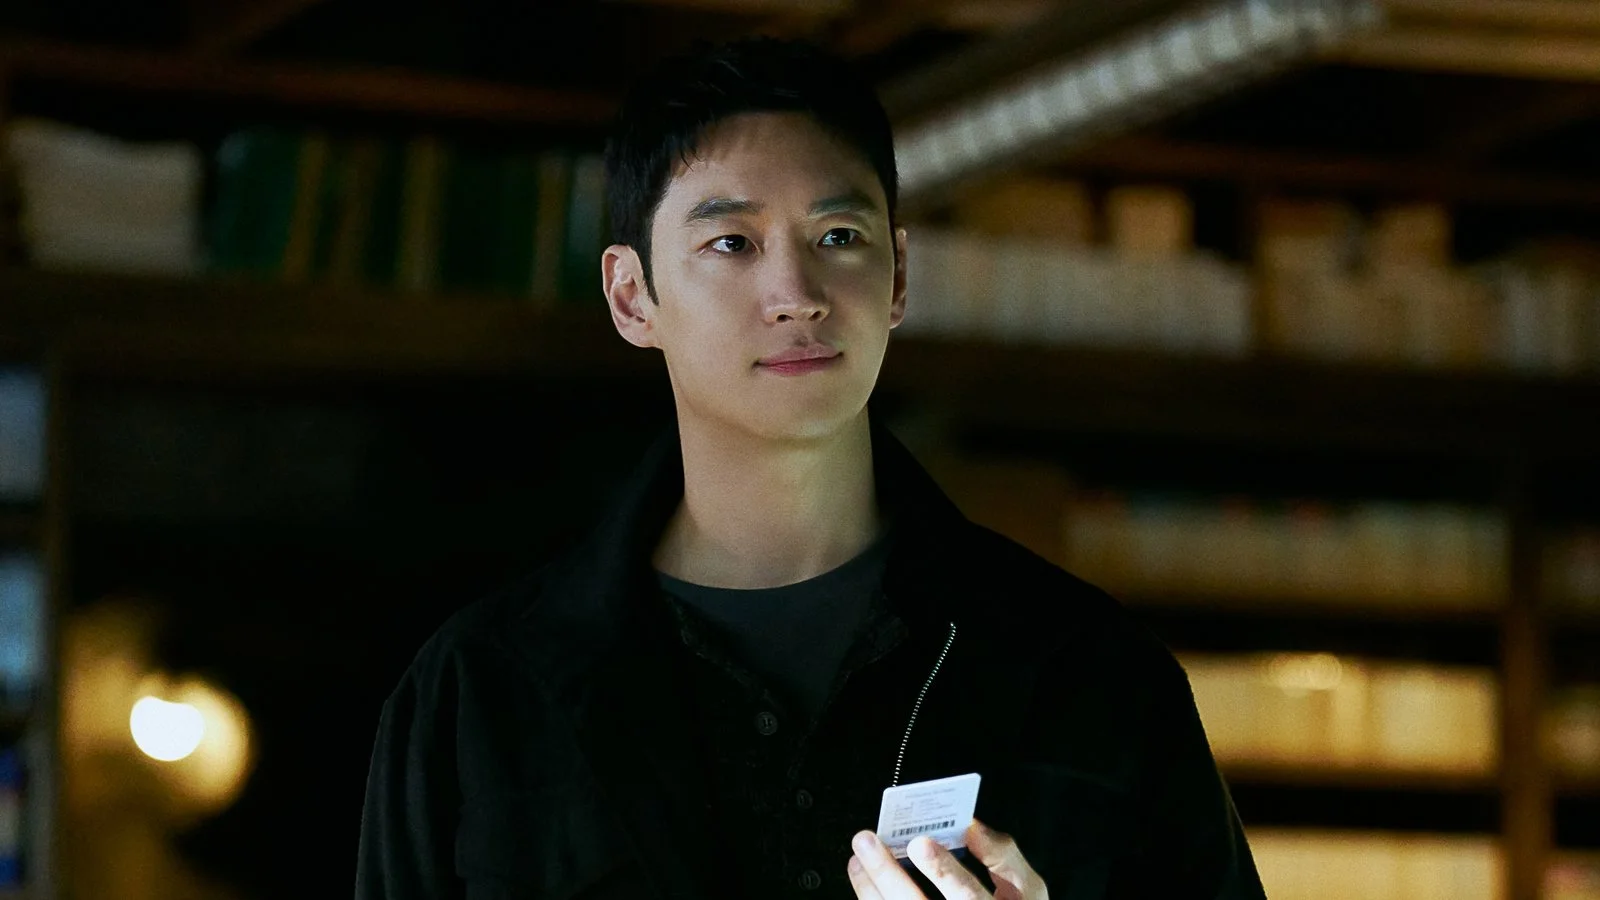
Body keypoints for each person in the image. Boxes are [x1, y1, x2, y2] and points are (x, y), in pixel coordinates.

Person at [355, 37, 1265, 900]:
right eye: (732, 244)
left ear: (898, 274)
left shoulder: (1094, 675)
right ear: (632, 296)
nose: (796, 296)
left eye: (837, 236)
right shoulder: (480, 697)